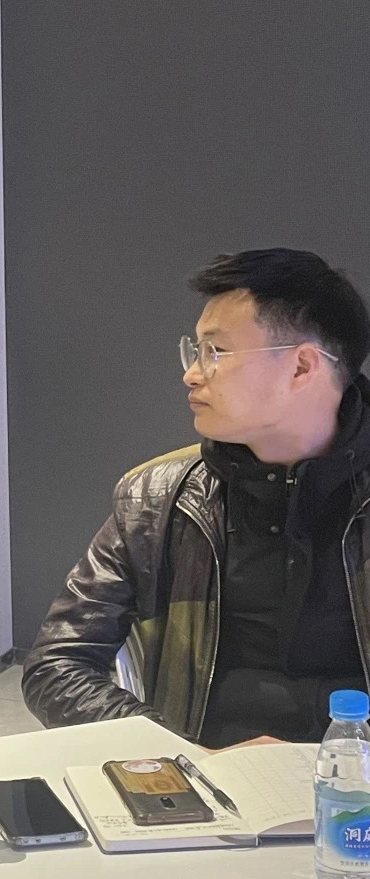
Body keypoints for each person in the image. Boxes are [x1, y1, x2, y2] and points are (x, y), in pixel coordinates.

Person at [23, 248, 370, 748]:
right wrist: (179, 751)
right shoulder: (153, 499)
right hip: (198, 773)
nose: (192, 374)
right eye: (196, 351)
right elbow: (56, 665)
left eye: (216, 352)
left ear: (301, 367)